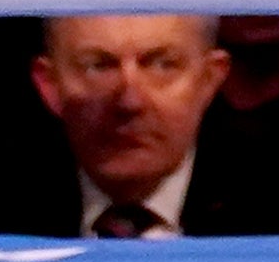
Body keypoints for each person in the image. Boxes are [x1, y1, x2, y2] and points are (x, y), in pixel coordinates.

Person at [24, 15, 232, 240]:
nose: (129, 102)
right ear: (50, 83)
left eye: (162, 65)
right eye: (98, 66)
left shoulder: (270, 211)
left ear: (209, 78)